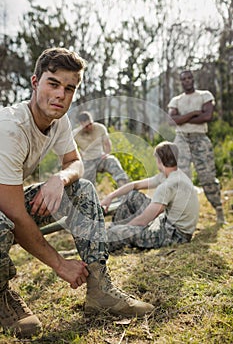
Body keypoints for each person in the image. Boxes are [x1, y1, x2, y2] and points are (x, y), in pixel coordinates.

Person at [0, 48, 154, 339]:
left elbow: (75, 162)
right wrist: (61, 264)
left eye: (69, 88)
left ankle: (100, 290)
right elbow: (13, 213)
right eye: (53, 83)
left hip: (7, 203)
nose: (61, 94)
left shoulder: (59, 120)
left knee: (80, 189)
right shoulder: (10, 127)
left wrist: (60, 177)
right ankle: (0, 294)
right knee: (2, 223)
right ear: (35, 82)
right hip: (4, 210)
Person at [101, 141, 199, 252]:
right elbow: (135, 185)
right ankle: (114, 231)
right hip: (168, 222)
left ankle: (108, 240)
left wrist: (123, 229)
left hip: (174, 235)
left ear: (160, 160)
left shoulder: (168, 185)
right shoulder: (173, 175)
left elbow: (144, 220)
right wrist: (110, 196)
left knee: (116, 232)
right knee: (132, 196)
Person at [167, 70, 225, 224]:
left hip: (200, 139)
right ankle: (185, 215)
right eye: (183, 79)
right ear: (180, 82)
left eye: (189, 78)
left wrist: (182, 118)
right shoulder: (176, 100)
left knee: (207, 176)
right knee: (182, 178)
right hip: (181, 139)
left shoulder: (204, 95)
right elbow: (172, 121)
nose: (186, 81)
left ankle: (218, 209)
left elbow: (207, 116)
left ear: (193, 79)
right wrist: (193, 113)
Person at [73, 111, 128, 187]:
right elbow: (71, 150)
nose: (89, 127)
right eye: (86, 126)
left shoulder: (100, 128)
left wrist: (107, 154)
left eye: (90, 124)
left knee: (113, 161)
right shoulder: (75, 134)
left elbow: (107, 143)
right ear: (81, 125)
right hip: (87, 161)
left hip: (100, 158)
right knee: (86, 185)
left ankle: (125, 189)